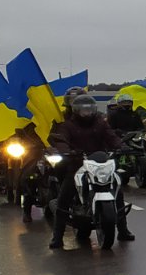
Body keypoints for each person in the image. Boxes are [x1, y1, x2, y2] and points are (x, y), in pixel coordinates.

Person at [48, 95, 133, 247]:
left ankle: (123, 230)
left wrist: (120, 146)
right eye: (83, 109)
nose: (86, 113)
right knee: (64, 197)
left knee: (118, 192)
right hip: (77, 164)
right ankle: (57, 237)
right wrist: (66, 151)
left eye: (89, 109)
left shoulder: (101, 123)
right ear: (76, 110)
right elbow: (61, 139)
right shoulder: (68, 125)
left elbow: (111, 137)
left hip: (101, 162)